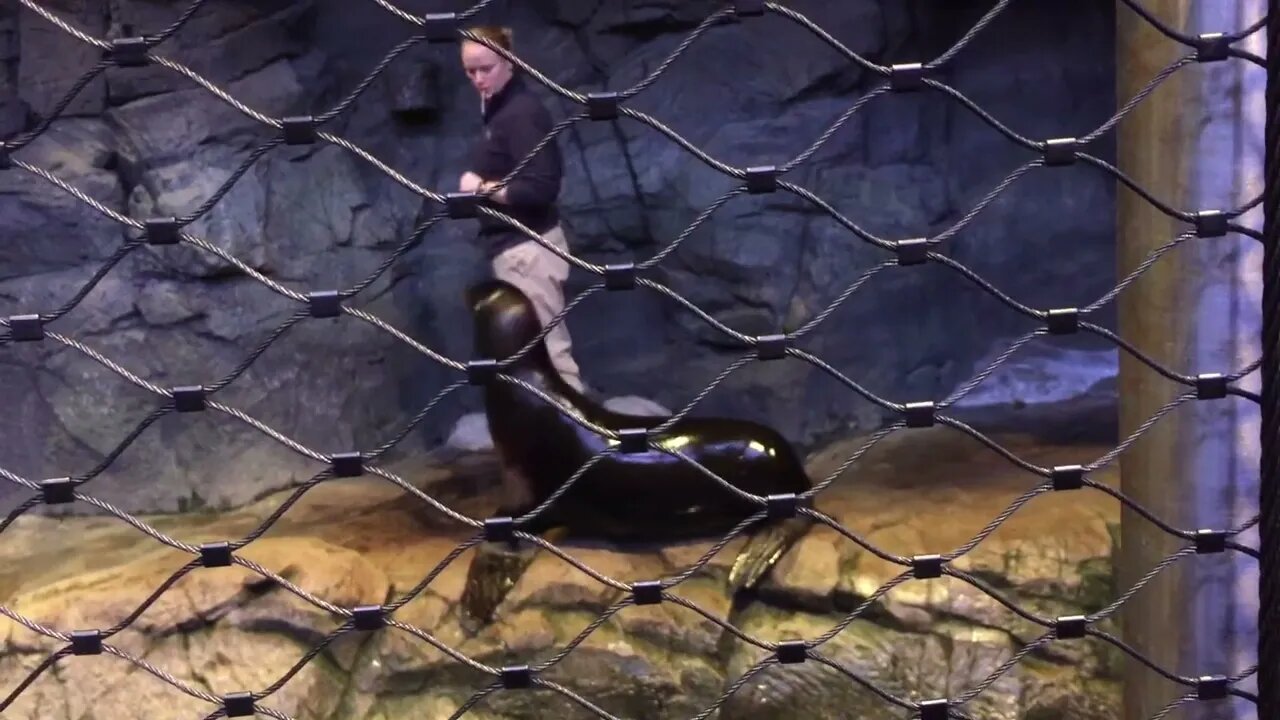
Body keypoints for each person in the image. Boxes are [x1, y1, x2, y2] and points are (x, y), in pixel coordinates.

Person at [458, 25, 586, 394]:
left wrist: (481, 189)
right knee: (533, 360)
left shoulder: (521, 113)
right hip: (514, 249)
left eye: (487, 68)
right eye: (470, 71)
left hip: (530, 250)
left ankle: (579, 445)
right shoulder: (498, 109)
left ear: (509, 62)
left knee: (551, 358)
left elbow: (542, 186)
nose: (479, 79)